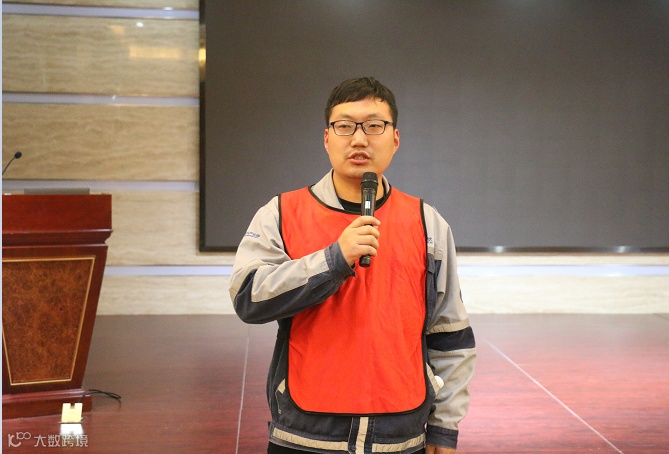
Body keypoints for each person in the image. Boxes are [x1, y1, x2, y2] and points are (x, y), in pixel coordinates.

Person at [229, 77, 476, 454]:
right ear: (327, 138)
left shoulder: (428, 223)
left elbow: (450, 332)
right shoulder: (281, 213)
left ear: (395, 139)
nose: (359, 139)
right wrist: (333, 259)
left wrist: (444, 428)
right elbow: (248, 297)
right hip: (304, 431)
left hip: (399, 433)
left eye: (374, 126)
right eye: (345, 126)